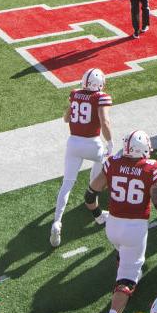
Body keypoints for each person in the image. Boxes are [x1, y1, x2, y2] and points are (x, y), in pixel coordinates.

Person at [86, 130, 157, 313]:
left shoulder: (112, 162)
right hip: (135, 227)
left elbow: (90, 194)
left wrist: (96, 215)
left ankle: (125, 268)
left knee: (124, 254)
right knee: (128, 279)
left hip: (112, 225)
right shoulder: (151, 167)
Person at [52, 69, 113, 246]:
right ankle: (97, 211)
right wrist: (110, 143)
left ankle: (57, 221)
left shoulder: (75, 94)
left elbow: (66, 118)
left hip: (73, 143)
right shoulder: (101, 97)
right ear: (99, 83)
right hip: (93, 144)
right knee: (104, 168)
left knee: (67, 184)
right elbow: (105, 122)